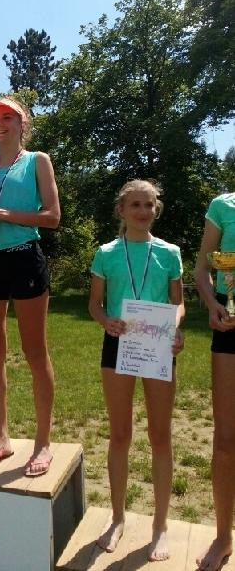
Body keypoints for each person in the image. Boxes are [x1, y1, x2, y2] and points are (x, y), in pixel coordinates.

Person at [0, 96, 60, 477]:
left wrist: (0, 213)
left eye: (7, 117)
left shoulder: (37, 161)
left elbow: (52, 217)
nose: (0, 124)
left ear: (22, 124)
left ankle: (43, 442)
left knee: (35, 352)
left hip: (24, 256)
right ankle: (1, 438)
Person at [88, 179, 184, 562]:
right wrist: (106, 321)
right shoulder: (106, 253)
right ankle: (117, 518)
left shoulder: (170, 253)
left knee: (160, 436)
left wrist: (176, 327)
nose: (143, 211)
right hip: (119, 344)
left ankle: (160, 526)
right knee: (120, 435)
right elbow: (94, 304)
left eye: (149, 205)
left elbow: (178, 303)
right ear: (122, 210)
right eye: (135, 205)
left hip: (159, 345)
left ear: (155, 209)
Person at [195, 193, 235, 571]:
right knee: (225, 441)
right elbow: (202, 267)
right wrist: (212, 303)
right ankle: (223, 537)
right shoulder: (223, 206)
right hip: (229, 322)